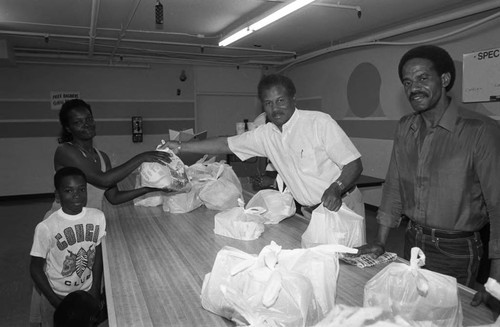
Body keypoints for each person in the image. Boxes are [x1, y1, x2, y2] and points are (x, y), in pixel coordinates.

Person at [356, 45, 500, 312]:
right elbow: (393, 187)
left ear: (444, 80)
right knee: (411, 313)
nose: (414, 88)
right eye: (408, 82)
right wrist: (380, 240)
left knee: (446, 316)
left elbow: (498, 205)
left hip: (455, 252)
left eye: (423, 78)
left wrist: (495, 282)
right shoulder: (405, 128)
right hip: (412, 241)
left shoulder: (480, 131)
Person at [160, 74, 364, 217]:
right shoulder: (266, 135)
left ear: (293, 98)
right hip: (310, 212)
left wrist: (336, 188)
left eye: (281, 100)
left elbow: (354, 164)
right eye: (268, 103)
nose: (275, 108)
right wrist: (180, 147)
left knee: (352, 269)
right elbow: (225, 144)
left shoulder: (319, 123)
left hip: (342, 204)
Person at [50, 98, 173, 212]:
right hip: (62, 225)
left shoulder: (102, 157)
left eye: (89, 119)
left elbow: (114, 197)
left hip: (90, 223)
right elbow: (104, 180)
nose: (86, 124)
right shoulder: (65, 150)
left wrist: (151, 188)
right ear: (68, 128)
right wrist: (142, 157)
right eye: (78, 122)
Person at [30, 167, 106, 327]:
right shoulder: (47, 227)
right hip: (56, 294)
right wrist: (56, 302)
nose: (76, 195)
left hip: (86, 291)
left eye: (81, 189)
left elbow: (98, 254)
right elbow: (35, 268)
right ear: (58, 195)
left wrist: (95, 289)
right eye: (68, 190)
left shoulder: (97, 217)